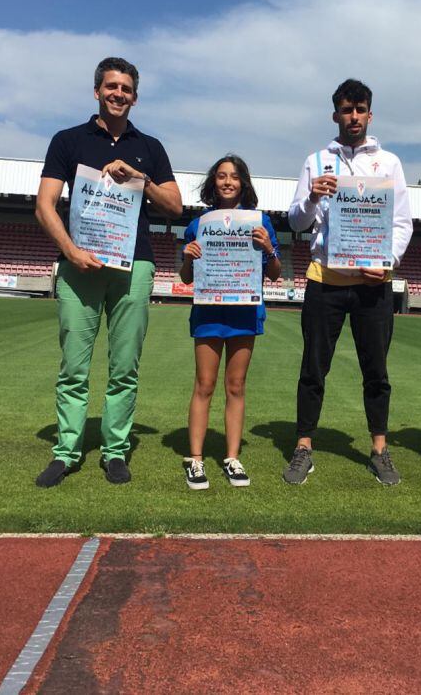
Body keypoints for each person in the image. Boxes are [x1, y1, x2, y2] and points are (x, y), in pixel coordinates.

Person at [34, 57, 182, 487]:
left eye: (127, 89)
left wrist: (140, 178)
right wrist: (70, 251)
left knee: (124, 367)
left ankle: (115, 452)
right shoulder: (68, 140)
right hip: (80, 266)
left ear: (135, 96)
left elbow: (173, 205)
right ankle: (66, 451)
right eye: (112, 86)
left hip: (133, 264)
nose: (119, 94)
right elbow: (44, 205)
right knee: (73, 367)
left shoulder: (149, 147)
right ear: (97, 90)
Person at [283, 78, 413, 485]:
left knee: (376, 371)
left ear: (369, 115)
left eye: (360, 110)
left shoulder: (388, 163)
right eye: (346, 109)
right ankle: (303, 446)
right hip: (325, 280)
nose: (353, 116)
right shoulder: (316, 160)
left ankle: (379, 449)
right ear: (335, 113)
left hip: (372, 284)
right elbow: (296, 222)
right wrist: (313, 198)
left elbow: (401, 221)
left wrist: (388, 261)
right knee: (313, 369)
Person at [179, 154, 282, 490]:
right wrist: (187, 258)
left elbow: (275, 274)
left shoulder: (260, 222)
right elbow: (187, 278)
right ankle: (195, 460)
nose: (227, 182)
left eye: (234, 177)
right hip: (209, 312)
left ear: (244, 183)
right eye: (221, 176)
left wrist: (269, 249)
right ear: (213, 183)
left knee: (236, 387)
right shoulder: (199, 223)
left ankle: (232, 457)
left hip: (244, 312)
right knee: (204, 385)